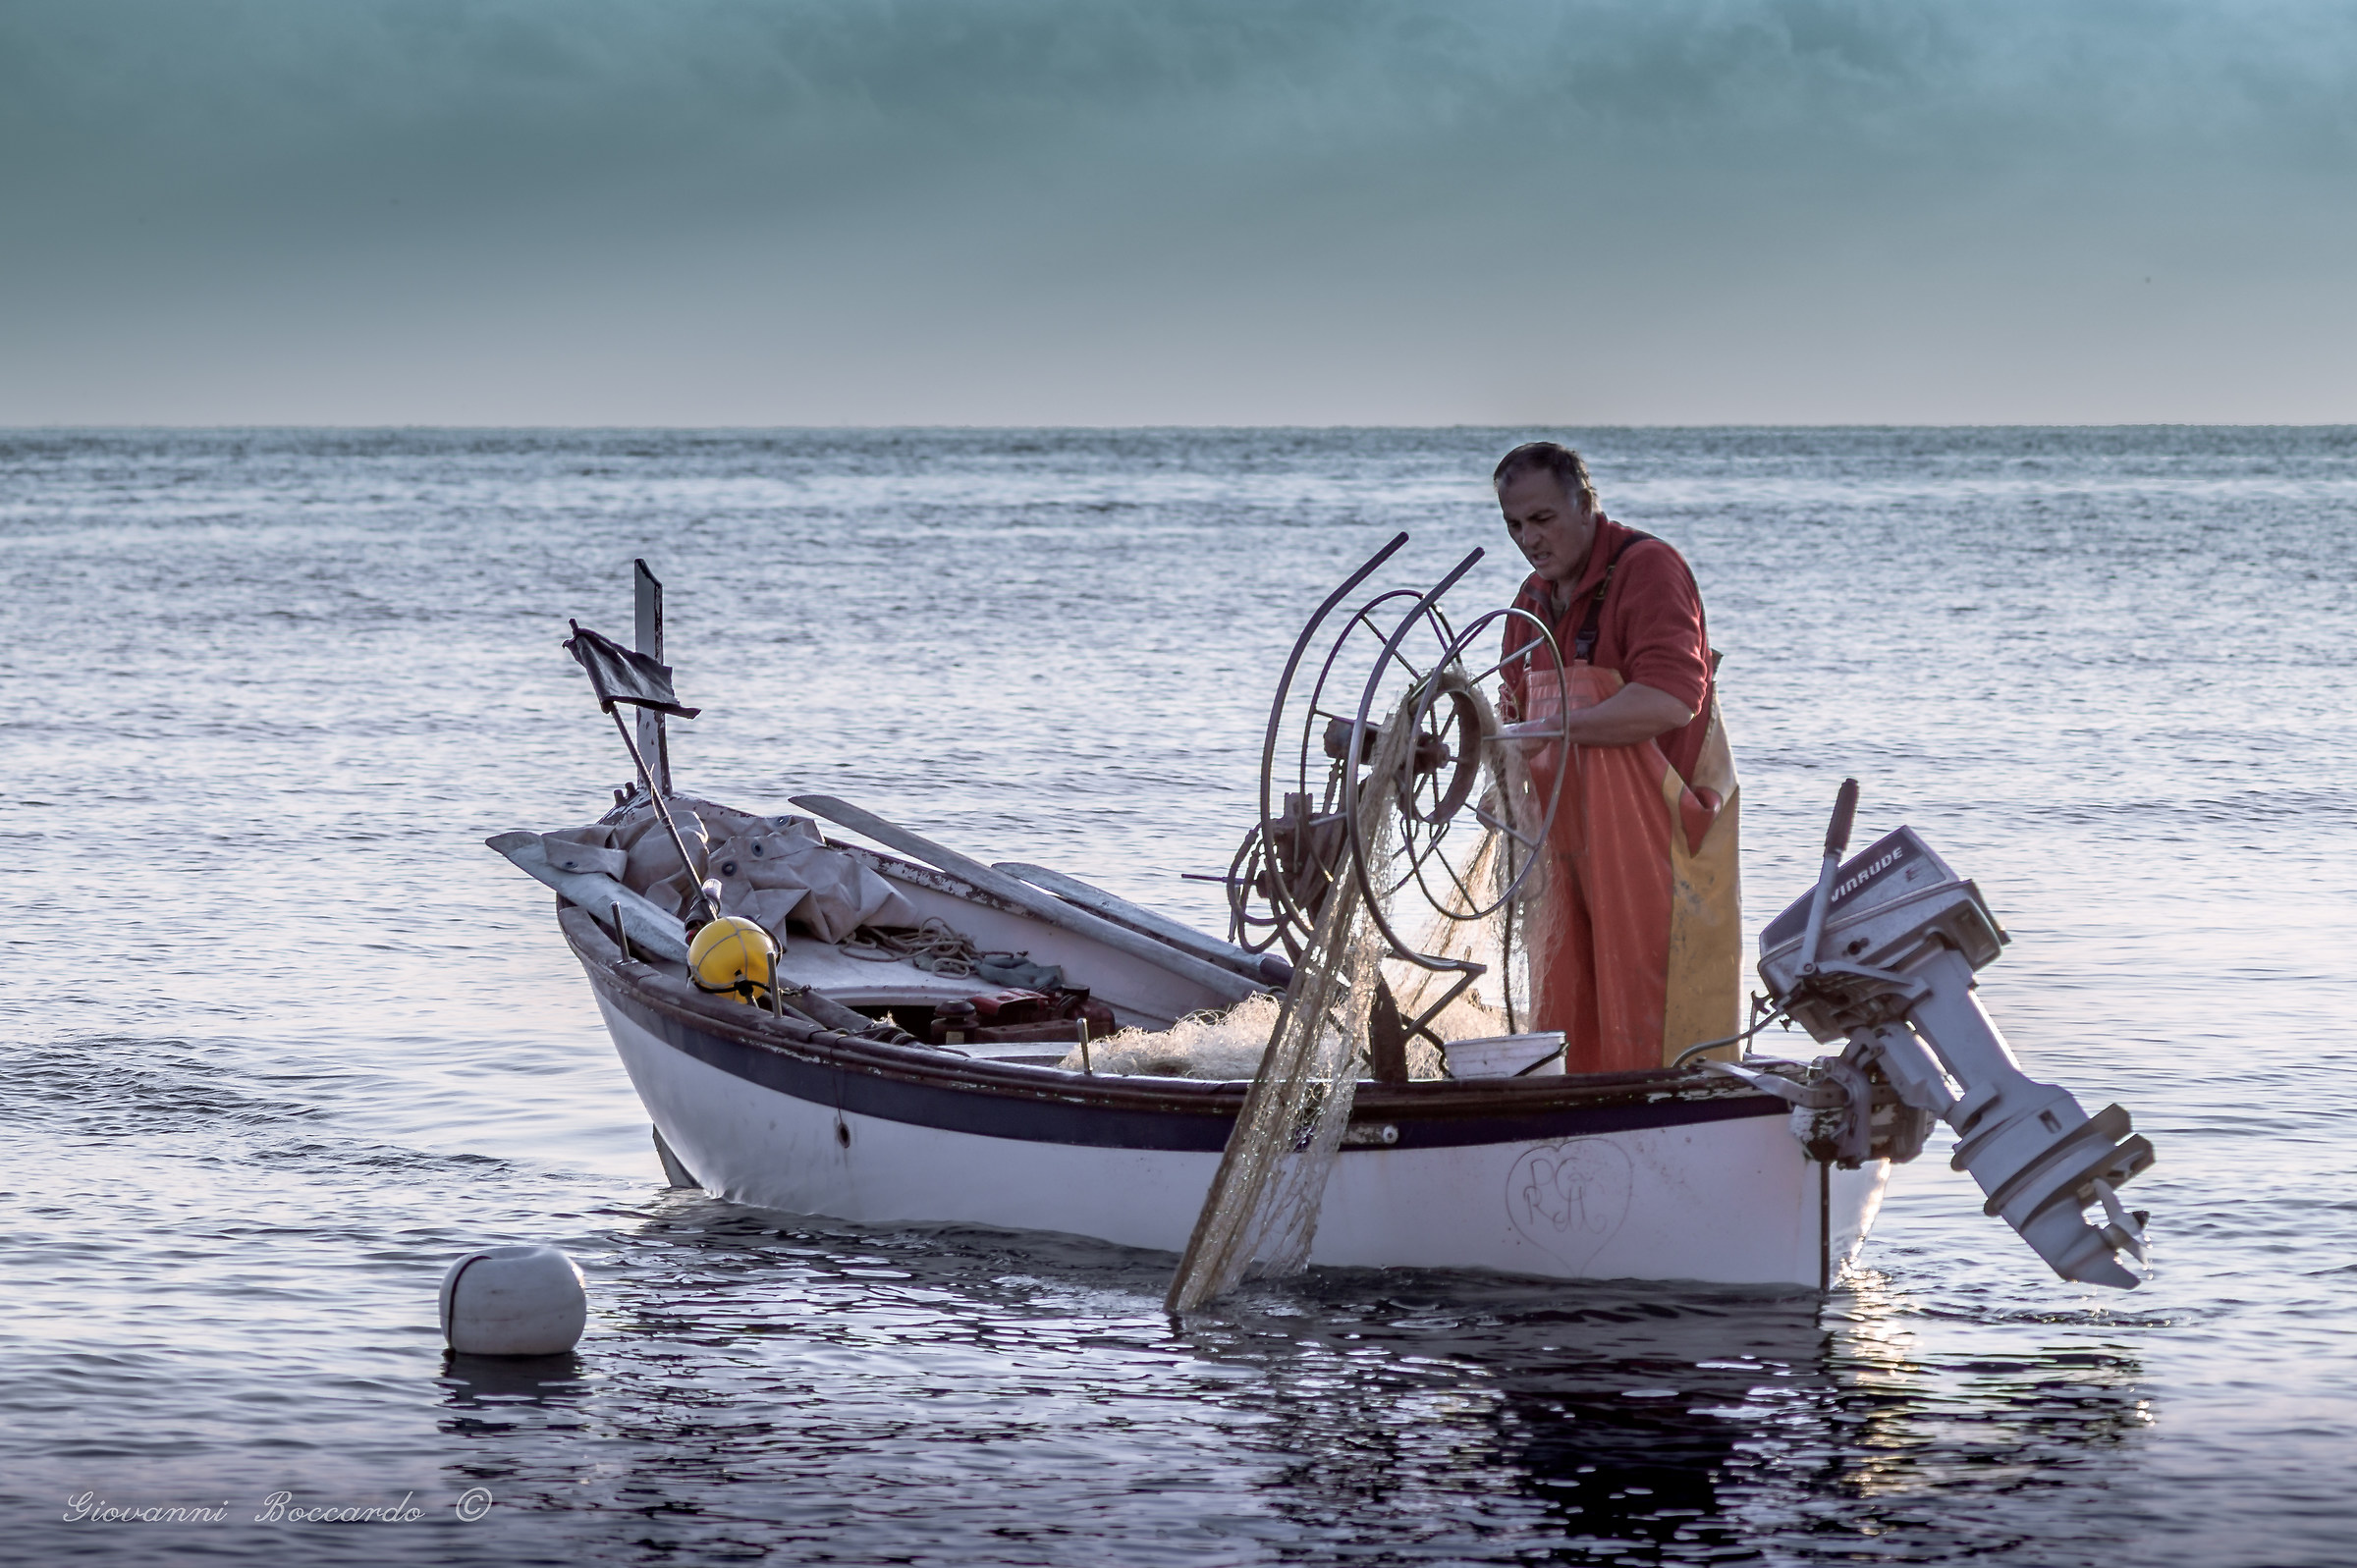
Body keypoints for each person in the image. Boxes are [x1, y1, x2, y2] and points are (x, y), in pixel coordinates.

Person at [1493, 442, 1741, 1074]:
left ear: (1585, 505)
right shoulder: (1527, 603)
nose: (1529, 538)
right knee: (1564, 1017)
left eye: (1543, 519)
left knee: (1662, 1021)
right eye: (1514, 524)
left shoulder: (1649, 569)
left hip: (1658, 846)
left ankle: (1686, 1127)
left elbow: (1668, 700)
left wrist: (1552, 726)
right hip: (1560, 848)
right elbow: (1511, 724)